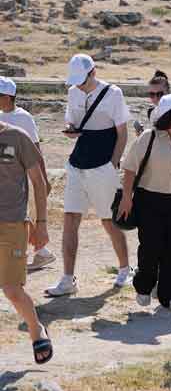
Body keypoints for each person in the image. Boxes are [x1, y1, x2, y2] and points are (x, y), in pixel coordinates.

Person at [46, 54, 131, 298]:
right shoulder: (73, 92)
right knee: (70, 218)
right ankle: (67, 278)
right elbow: (73, 124)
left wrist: (112, 164)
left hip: (102, 165)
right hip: (77, 163)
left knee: (109, 220)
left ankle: (125, 269)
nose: (79, 85)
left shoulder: (113, 93)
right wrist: (71, 131)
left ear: (93, 72)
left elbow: (122, 133)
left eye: (82, 80)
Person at [118, 95, 171, 310]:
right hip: (149, 199)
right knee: (150, 247)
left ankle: (170, 294)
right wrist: (126, 198)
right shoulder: (148, 137)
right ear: (170, 116)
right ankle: (144, 286)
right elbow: (130, 168)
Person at [1, 115, 53, 364]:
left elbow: (39, 183)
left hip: (12, 224)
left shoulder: (17, 137)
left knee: (12, 290)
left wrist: (41, 223)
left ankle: (36, 329)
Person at [0, 77, 53, 271]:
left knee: (28, 212)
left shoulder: (23, 118)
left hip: (26, 175)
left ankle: (40, 252)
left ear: (7, 97)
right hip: (9, 175)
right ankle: (40, 252)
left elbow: (35, 149)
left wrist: (43, 179)